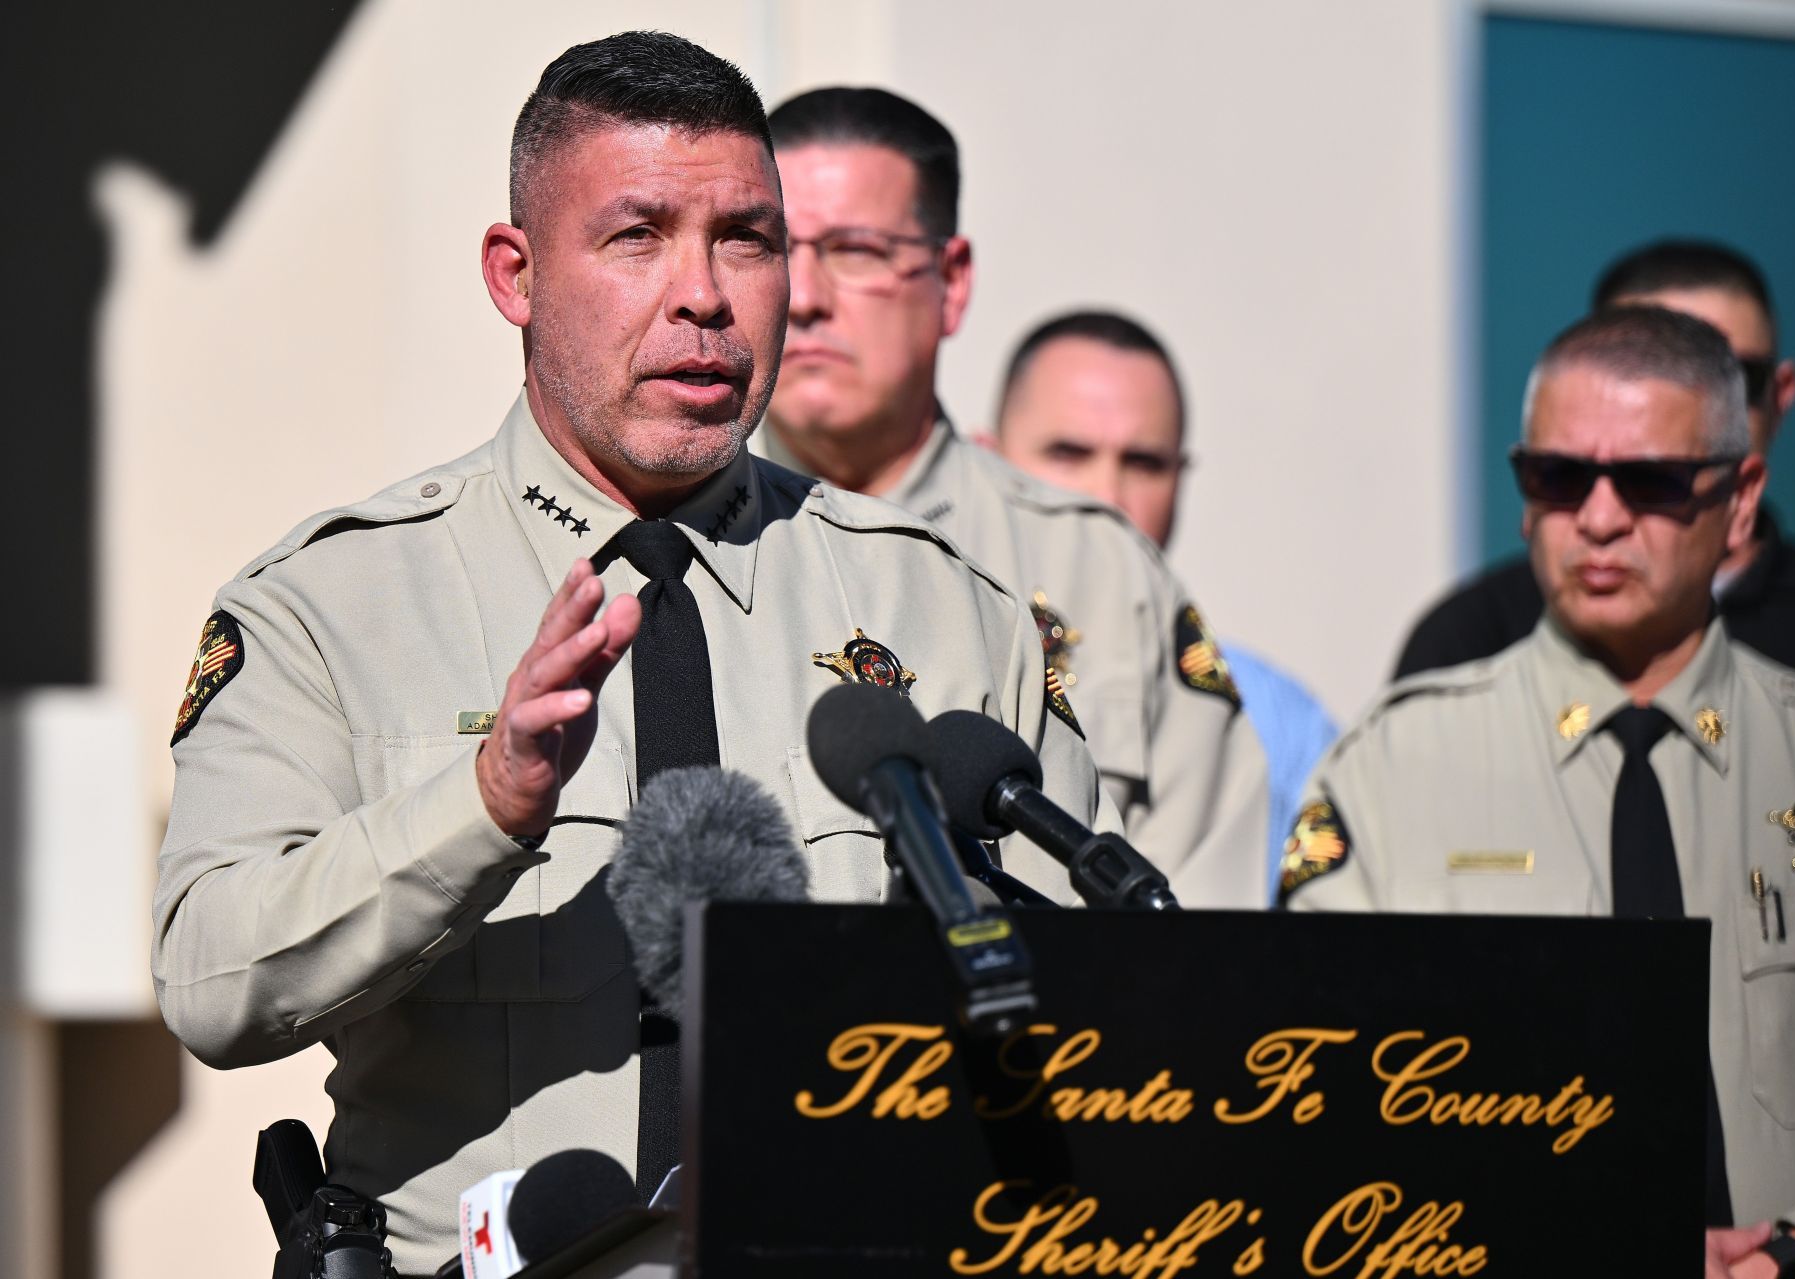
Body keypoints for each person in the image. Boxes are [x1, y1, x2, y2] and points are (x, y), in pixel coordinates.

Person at [150, 33, 1114, 1275]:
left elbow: (1098, 1016)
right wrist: (483, 805)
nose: (705, 295)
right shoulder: (333, 605)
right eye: (637, 236)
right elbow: (211, 985)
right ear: (517, 274)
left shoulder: (946, 612)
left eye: (749, 240)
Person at [1287, 306, 1795, 1278]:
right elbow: (1319, 1088)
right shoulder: (1390, 771)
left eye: (1652, 482)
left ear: (1741, 495)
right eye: (1560, 476)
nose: (1600, 516)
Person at [758, 87, 1269, 907]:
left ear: (952, 282)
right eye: (773, 246)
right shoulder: (667, 546)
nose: (807, 295)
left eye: (856, 251)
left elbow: (1200, 928)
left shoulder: (1101, 567)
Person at [1394, 241, 1795, 717]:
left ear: (1781, 395)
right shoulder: (1467, 642)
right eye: (1638, 369)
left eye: (1731, 379)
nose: (1681, 405)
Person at [989, 310, 1337, 897]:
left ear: (1182, 477)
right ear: (985, 461)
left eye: (1144, 463)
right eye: (1069, 453)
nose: (1108, 496)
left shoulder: (1280, 724)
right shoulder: (934, 649)